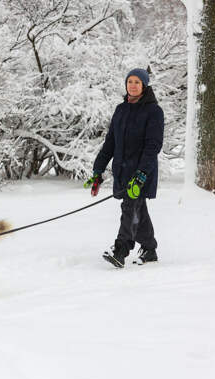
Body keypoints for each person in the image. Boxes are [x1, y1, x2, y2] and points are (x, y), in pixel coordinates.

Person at [87, 68, 164, 268]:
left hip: (141, 173)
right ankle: (149, 249)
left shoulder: (154, 111)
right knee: (138, 212)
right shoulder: (121, 110)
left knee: (130, 208)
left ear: (144, 86)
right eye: (130, 81)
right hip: (122, 170)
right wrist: (98, 170)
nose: (133, 85)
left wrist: (141, 174)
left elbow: (153, 146)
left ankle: (120, 250)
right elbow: (110, 143)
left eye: (137, 82)